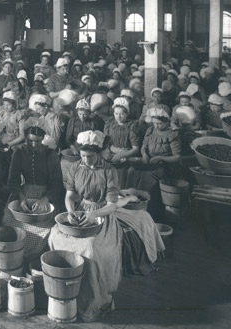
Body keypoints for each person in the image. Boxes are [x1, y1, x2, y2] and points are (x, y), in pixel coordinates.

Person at [50, 130, 164, 322]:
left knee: (92, 248)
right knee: (54, 235)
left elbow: (111, 205)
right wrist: (71, 211)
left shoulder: (108, 170)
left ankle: (94, 297)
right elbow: (70, 195)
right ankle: (64, 286)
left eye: (90, 156)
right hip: (82, 210)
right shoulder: (75, 167)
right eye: (83, 156)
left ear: (99, 152)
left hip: (103, 214)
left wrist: (94, 214)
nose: (86, 160)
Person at [3, 126, 64, 263]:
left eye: (37, 141)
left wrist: (44, 200)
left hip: (46, 194)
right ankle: (15, 258)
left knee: (45, 227)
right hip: (24, 192)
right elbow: (13, 180)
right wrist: (21, 196)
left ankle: (31, 260)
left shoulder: (50, 154)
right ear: (26, 139)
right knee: (9, 221)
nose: (34, 144)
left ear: (43, 139)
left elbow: (57, 183)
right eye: (30, 141)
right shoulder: (19, 153)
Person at [126, 108, 181, 220]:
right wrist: (145, 155)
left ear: (166, 122)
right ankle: (131, 206)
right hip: (150, 162)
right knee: (131, 171)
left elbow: (177, 157)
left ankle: (149, 210)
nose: (156, 126)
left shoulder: (172, 135)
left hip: (166, 166)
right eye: (154, 123)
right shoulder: (150, 130)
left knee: (147, 177)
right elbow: (144, 147)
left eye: (159, 124)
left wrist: (161, 158)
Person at [103, 98, 141, 187]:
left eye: (122, 114)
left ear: (127, 114)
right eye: (116, 113)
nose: (118, 117)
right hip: (112, 154)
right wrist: (111, 149)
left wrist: (121, 155)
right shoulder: (110, 125)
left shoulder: (131, 127)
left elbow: (136, 149)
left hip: (126, 157)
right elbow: (106, 143)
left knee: (120, 174)